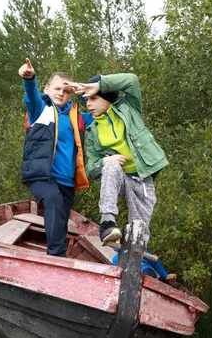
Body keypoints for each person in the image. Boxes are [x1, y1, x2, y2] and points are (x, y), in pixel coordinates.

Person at [66, 73, 168, 245]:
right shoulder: (93, 130)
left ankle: (131, 259)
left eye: (94, 98)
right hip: (121, 179)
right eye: (87, 100)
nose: (89, 104)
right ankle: (107, 224)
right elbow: (90, 169)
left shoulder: (129, 108)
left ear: (107, 97)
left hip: (142, 180)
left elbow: (132, 80)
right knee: (111, 167)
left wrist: (99, 85)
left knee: (139, 232)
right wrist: (104, 161)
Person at [18, 58, 94, 257]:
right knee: (52, 200)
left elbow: (102, 113)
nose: (61, 93)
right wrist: (29, 79)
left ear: (71, 94)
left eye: (66, 91)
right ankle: (56, 257)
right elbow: (31, 96)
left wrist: (86, 93)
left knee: (61, 219)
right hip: (41, 175)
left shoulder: (78, 117)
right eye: (57, 89)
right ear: (47, 89)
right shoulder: (40, 110)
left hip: (67, 180)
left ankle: (58, 255)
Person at [112, 249, 177, 282]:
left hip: (146, 274)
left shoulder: (140, 249)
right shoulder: (116, 258)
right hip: (132, 279)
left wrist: (166, 275)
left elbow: (154, 262)